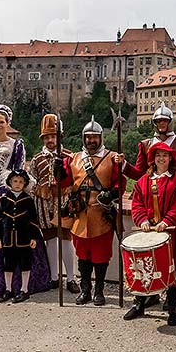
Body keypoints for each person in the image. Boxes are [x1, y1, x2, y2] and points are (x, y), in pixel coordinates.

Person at [0, 104, 50, 299]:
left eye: (2, 122)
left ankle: (18, 286)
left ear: (8, 123)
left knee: (17, 238)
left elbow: (18, 170)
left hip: (10, 198)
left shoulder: (16, 145)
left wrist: (8, 189)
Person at [55, 117, 125, 306]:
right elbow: (65, 184)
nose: (91, 140)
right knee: (83, 255)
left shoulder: (111, 158)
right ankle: (85, 290)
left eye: (94, 137)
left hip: (101, 214)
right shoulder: (74, 158)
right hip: (79, 214)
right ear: (83, 138)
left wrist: (111, 193)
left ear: (101, 138)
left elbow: (120, 185)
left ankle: (99, 291)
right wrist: (58, 172)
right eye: (88, 137)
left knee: (101, 256)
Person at [127, 141, 176, 325]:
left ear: (171, 158)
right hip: (148, 234)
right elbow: (136, 204)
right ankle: (140, 304)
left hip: (171, 233)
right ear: (153, 159)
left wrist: (167, 221)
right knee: (144, 268)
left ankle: (172, 308)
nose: (161, 159)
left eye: (165, 155)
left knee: (172, 269)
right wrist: (143, 221)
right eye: (158, 156)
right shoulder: (142, 182)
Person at [29, 114, 80, 294]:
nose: (51, 140)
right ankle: (54, 277)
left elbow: (76, 180)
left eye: (53, 136)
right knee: (50, 239)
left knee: (66, 239)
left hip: (64, 203)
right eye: (47, 137)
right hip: (43, 204)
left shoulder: (70, 157)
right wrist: (40, 189)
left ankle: (71, 278)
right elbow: (32, 181)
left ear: (59, 137)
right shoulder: (36, 159)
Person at [0, 169, 41, 304]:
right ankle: (8, 289)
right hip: (7, 239)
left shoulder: (28, 200)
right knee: (7, 264)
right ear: (10, 182)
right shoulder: (3, 199)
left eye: (21, 182)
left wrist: (33, 237)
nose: (18, 184)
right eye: (15, 181)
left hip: (24, 238)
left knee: (24, 264)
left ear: (25, 184)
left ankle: (24, 290)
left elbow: (33, 220)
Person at [117, 103, 176, 179]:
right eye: (158, 121)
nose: (162, 123)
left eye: (165, 120)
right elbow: (139, 174)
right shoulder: (146, 145)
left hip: (174, 187)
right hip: (151, 187)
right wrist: (123, 164)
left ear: (170, 122)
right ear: (155, 123)